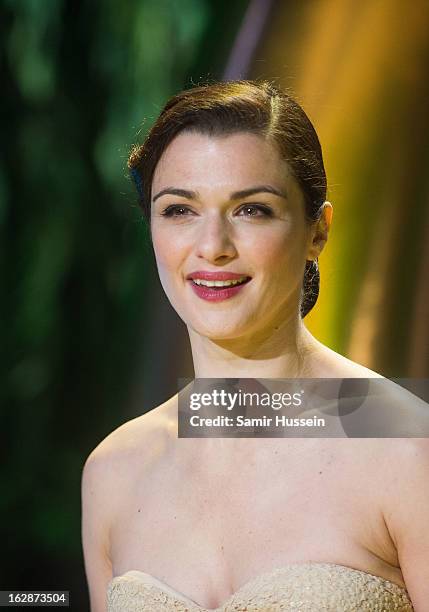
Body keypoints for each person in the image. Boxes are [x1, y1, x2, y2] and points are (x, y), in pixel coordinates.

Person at [81, 80, 428, 611]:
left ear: (318, 230)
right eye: (179, 210)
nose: (212, 247)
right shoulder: (114, 472)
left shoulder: (408, 451)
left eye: (252, 210)